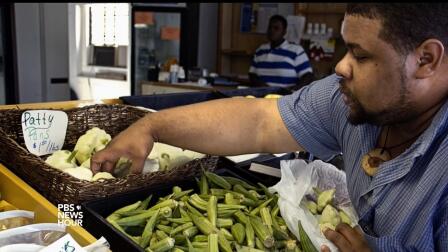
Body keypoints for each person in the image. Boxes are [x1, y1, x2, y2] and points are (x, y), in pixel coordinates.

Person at [91, 3, 448, 251]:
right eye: (345, 48)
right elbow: (260, 120)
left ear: (426, 59)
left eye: (362, 55)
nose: (341, 66)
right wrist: (151, 127)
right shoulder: (350, 99)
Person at [248, 14, 315, 90]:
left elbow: (308, 76)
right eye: (270, 27)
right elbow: (252, 75)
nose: (271, 31)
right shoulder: (260, 50)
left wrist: (292, 91)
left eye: (276, 28)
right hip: (262, 97)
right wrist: (266, 89)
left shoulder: (296, 50)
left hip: (286, 98)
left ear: (284, 32)